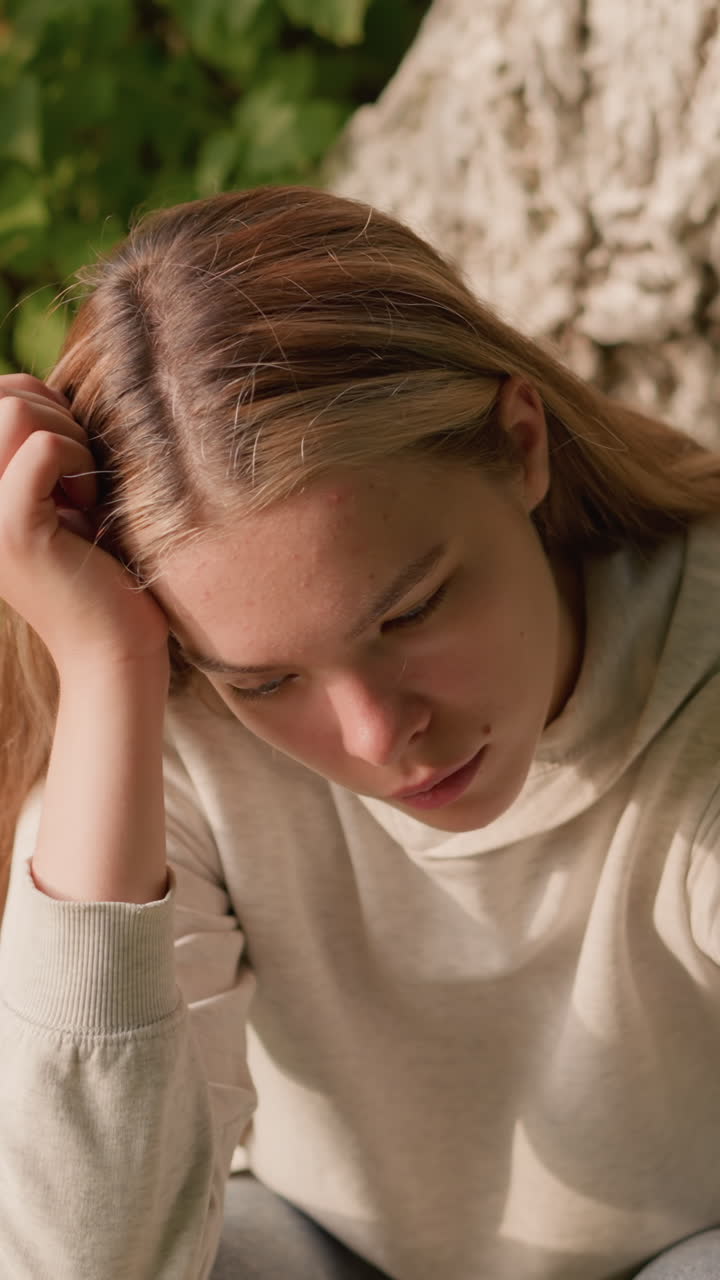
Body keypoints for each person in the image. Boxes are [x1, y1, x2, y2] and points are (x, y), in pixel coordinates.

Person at [0, 186, 719, 1280]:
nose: (382, 733)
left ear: (520, 441)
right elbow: (88, 1262)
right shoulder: (164, 720)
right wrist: (106, 673)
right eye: (270, 678)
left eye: (411, 608)